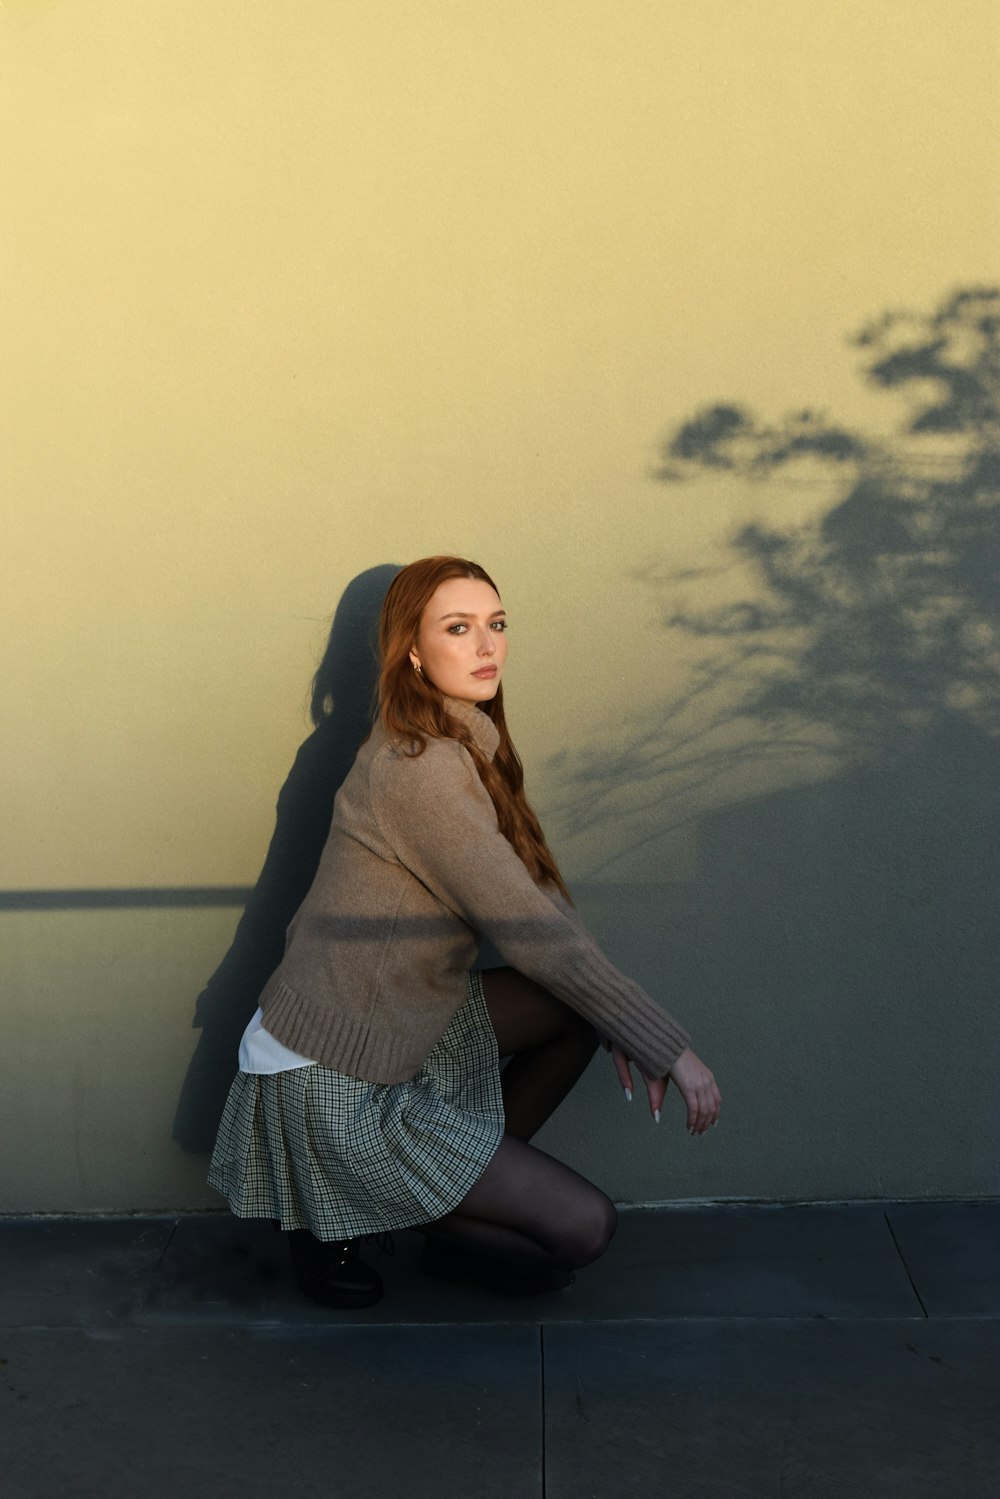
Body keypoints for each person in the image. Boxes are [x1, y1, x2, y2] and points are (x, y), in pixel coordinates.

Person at [209, 556, 721, 1308]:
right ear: (413, 651)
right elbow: (534, 933)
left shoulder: (460, 744)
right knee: (584, 1230)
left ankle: (454, 1197)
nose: (486, 645)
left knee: (575, 1012)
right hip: (333, 1078)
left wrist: (615, 1015)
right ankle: (345, 1219)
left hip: (393, 1023)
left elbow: (545, 909)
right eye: (458, 628)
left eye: (496, 624)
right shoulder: (419, 770)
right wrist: (668, 1048)